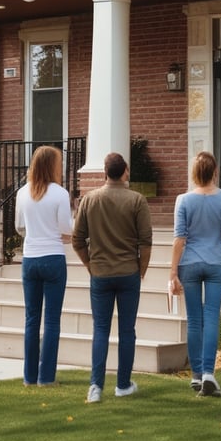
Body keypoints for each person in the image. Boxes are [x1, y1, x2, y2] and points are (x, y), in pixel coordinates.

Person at [72, 152, 152, 403]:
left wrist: (89, 263)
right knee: (127, 330)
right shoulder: (137, 200)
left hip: (100, 273)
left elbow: (77, 240)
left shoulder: (89, 200)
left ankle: (96, 386)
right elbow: (146, 241)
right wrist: (142, 269)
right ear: (125, 171)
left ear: (105, 172)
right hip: (128, 271)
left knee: (100, 330)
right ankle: (123, 384)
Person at [169, 151, 221, 397]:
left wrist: (172, 272)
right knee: (211, 316)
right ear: (214, 172)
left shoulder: (183, 200)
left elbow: (179, 239)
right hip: (217, 263)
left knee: (194, 319)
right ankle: (209, 373)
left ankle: (196, 375)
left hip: (189, 263)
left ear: (194, 173)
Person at [14, 144, 74, 387]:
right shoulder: (60, 193)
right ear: (53, 166)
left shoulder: (22, 193)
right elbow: (66, 229)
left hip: (30, 258)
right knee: (51, 321)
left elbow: (19, 227)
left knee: (31, 319)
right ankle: (46, 377)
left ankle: (29, 377)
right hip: (53, 258)